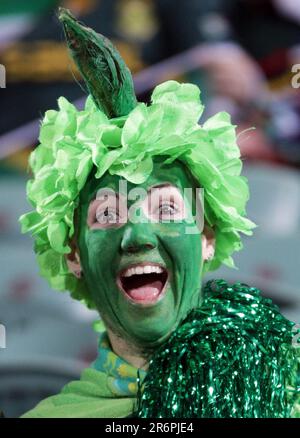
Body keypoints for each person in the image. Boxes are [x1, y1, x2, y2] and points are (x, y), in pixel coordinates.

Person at [19, 9, 299, 418]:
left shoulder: (286, 382)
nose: (138, 236)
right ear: (73, 252)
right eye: (108, 215)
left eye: (166, 208)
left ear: (207, 236)